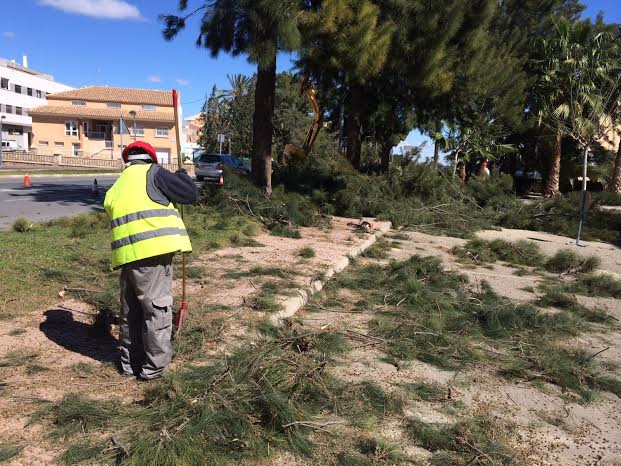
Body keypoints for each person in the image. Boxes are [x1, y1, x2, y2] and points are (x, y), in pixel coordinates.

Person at [104, 141, 198, 380]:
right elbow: (190, 194)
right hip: (154, 254)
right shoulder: (155, 173)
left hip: (128, 257)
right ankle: (154, 369)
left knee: (131, 311)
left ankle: (130, 365)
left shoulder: (118, 184)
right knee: (156, 309)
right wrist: (180, 176)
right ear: (151, 158)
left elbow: (111, 207)